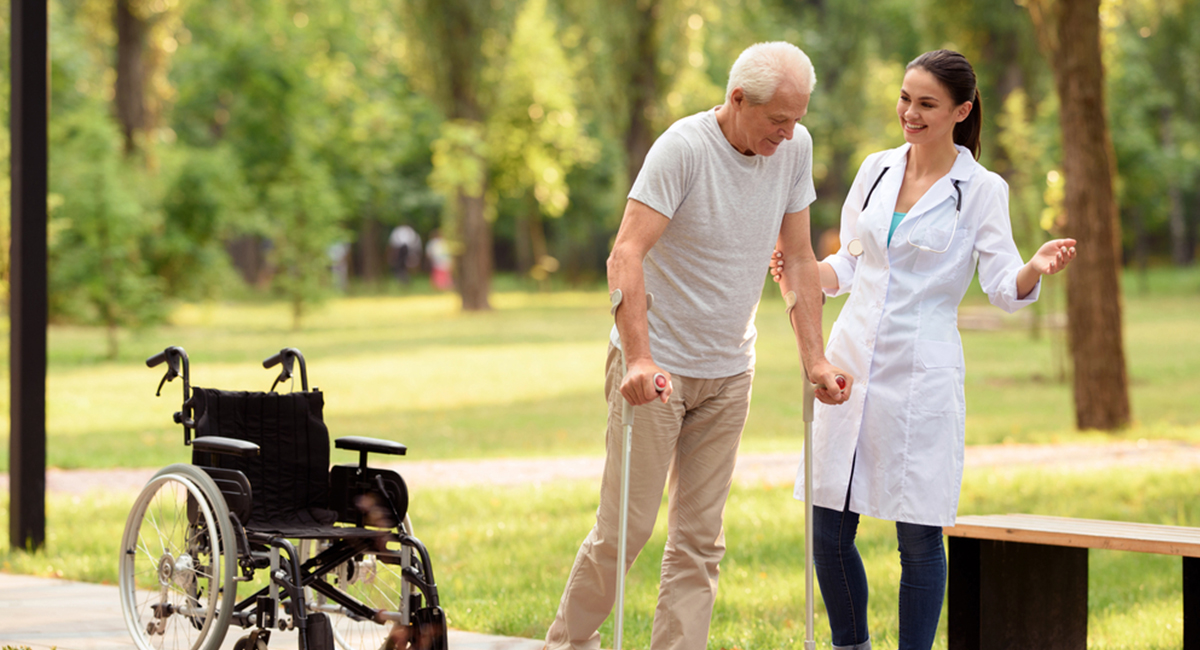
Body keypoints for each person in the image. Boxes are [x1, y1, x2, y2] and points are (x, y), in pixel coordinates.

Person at [544, 42, 852, 650]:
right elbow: (625, 254)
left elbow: (796, 257)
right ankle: (567, 644)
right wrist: (637, 357)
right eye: (777, 121)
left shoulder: (796, 149)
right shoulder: (683, 149)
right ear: (737, 99)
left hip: (729, 371)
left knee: (700, 541)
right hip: (656, 370)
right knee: (625, 531)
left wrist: (813, 358)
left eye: (797, 119)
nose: (790, 135)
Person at [770, 49, 1077, 650]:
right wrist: (805, 276)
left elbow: (1001, 285)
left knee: (918, 537)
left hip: (922, 372)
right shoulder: (876, 169)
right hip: (851, 359)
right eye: (905, 98)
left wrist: (1034, 267)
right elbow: (848, 265)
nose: (909, 113)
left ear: (961, 111)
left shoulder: (981, 189)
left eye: (926, 104)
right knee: (826, 527)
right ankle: (850, 644)